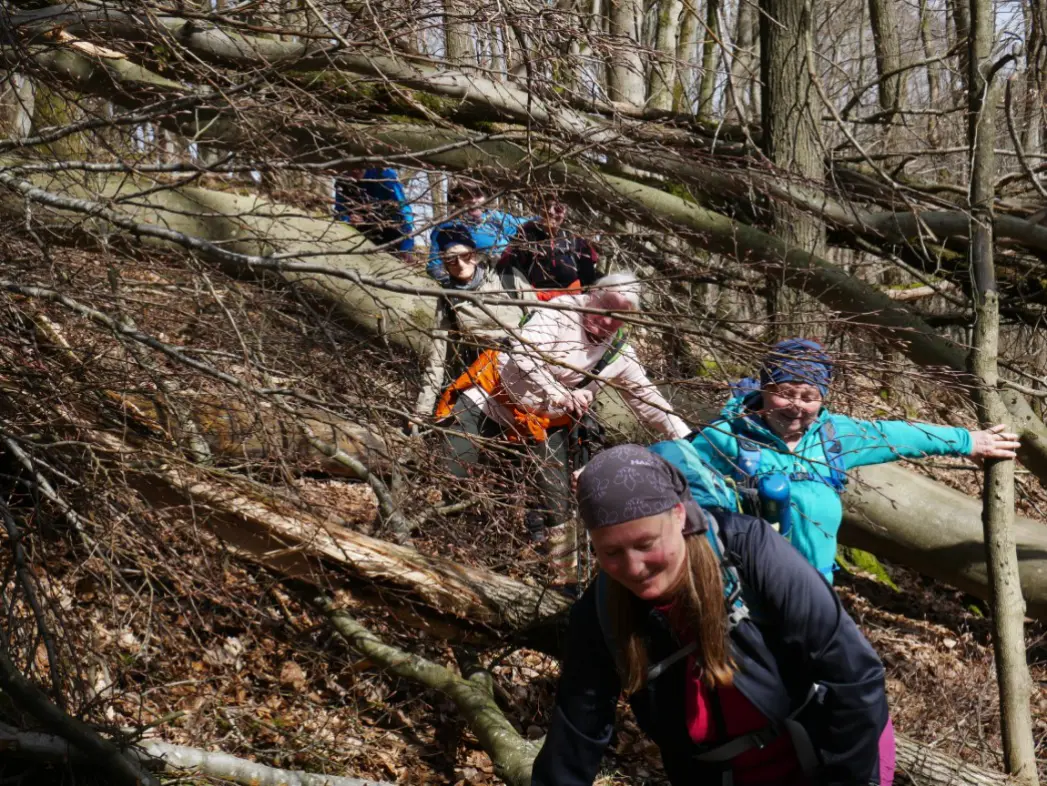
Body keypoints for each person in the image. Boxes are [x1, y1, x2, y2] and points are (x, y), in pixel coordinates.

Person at [530, 444, 895, 786]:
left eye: (645, 544)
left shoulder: (749, 552)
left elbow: (855, 675)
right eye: (611, 553)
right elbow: (577, 730)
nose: (634, 567)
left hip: (831, 749)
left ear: (678, 514)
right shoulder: (601, 611)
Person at [651, 338, 1021, 583]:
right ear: (764, 388)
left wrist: (967, 441)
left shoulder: (834, 436)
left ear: (822, 398)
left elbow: (898, 435)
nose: (796, 405)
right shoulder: (726, 436)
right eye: (785, 392)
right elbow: (666, 469)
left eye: (809, 396)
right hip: (749, 587)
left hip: (817, 587)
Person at [434, 273, 690, 585]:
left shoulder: (619, 352)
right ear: (592, 295)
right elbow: (523, 352)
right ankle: (442, 548)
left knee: (558, 505)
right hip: (490, 399)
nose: (607, 321)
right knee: (454, 470)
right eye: (605, 309)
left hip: (543, 423)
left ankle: (563, 581)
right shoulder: (558, 312)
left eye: (619, 317)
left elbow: (648, 400)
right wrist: (559, 392)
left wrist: (687, 440)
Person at [426, 180, 532, 284]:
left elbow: (531, 223)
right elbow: (434, 267)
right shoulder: (446, 228)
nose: (473, 200)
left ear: (486, 196)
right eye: (467, 195)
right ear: (457, 198)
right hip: (475, 284)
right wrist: (457, 283)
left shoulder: (497, 218)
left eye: (478, 194)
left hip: (509, 277)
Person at [496, 200, 599, 300]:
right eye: (546, 205)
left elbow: (588, 281)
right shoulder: (526, 236)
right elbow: (509, 269)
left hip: (570, 301)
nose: (550, 211)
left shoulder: (577, 242)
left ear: (566, 214)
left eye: (558, 208)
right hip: (534, 300)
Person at [333, 168, 415, 258]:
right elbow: (339, 211)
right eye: (351, 168)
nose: (355, 171)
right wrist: (349, 219)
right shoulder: (343, 180)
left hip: (390, 229)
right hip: (361, 230)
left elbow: (403, 208)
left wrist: (406, 246)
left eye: (358, 167)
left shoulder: (384, 174)